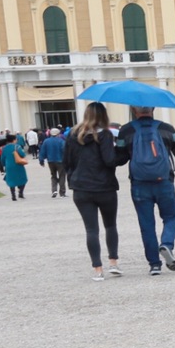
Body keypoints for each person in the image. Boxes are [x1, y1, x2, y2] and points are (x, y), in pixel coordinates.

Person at [116, 106, 175, 275]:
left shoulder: (126, 131)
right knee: (171, 217)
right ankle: (166, 244)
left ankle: (154, 265)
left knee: (146, 224)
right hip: (164, 182)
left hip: (139, 184)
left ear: (134, 110)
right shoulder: (167, 129)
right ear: (153, 109)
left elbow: (118, 159)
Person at [64, 102, 126, 280]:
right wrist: (122, 154)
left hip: (81, 187)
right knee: (110, 225)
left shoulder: (73, 135)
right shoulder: (105, 135)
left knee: (91, 230)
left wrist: (73, 179)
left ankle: (97, 269)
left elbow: (67, 161)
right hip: (104, 186)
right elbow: (109, 160)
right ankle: (113, 262)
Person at [0, 133, 30, 200]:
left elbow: (2, 158)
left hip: (9, 165)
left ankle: (13, 195)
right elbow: (22, 154)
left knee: (11, 180)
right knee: (23, 178)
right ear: (14, 140)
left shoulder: (4, 148)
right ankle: (20, 192)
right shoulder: (17, 146)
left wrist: (4, 164)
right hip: (18, 165)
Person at [40, 126, 68, 196]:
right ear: (58, 134)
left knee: (53, 175)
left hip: (50, 161)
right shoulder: (61, 141)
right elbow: (65, 151)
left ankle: (54, 190)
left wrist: (41, 160)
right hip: (60, 161)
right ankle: (62, 192)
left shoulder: (46, 141)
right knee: (62, 175)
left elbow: (42, 151)